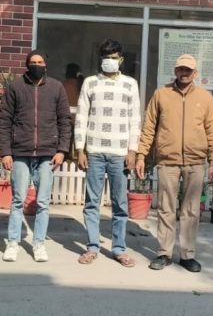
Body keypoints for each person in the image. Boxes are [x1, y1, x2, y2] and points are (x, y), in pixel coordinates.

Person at [135, 54, 213, 273]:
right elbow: (149, 127)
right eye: (181, 69)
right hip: (168, 161)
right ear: (175, 71)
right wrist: (141, 155)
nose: (184, 73)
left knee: (191, 211)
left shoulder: (205, 97)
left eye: (188, 70)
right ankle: (164, 253)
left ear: (195, 73)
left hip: (195, 161)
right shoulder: (161, 94)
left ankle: (187, 255)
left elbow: (212, 130)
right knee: (166, 208)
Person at [0, 50, 71, 262]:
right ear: (27, 65)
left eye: (40, 62)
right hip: (21, 152)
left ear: (45, 65)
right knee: (18, 200)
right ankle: (13, 242)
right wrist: (5, 152)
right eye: (33, 62)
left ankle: (39, 244)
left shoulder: (56, 88)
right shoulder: (16, 87)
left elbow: (64, 121)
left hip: (47, 154)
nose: (36, 65)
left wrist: (62, 150)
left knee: (43, 202)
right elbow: (4, 120)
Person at [74, 39, 141, 267]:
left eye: (113, 57)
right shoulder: (90, 83)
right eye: (105, 57)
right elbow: (81, 116)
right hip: (94, 151)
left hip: (120, 153)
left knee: (119, 205)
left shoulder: (130, 84)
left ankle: (119, 248)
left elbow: (135, 119)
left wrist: (132, 150)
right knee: (92, 203)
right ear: (100, 59)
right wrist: (80, 148)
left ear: (120, 59)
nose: (109, 61)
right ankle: (92, 247)